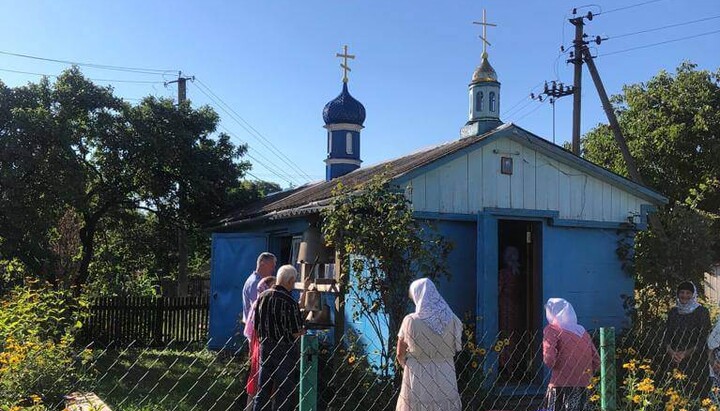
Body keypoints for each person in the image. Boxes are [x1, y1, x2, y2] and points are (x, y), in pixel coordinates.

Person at [396, 278, 462, 411]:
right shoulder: (453, 319)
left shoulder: (410, 321)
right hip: (445, 372)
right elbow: (456, 347)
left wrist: (406, 366)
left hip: (418, 373)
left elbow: (399, 353)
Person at [253, 265, 304, 411]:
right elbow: (295, 332)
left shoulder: (262, 297)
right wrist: (302, 332)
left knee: (263, 388)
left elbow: (256, 325)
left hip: (265, 346)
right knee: (284, 391)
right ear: (290, 281)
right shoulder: (290, 302)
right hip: (285, 350)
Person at [542, 298, 599, 411]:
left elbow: (549, 358)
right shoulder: (582, 331)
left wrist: (553, 364)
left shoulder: (552, 329)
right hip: (584, 383)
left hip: (561, 384)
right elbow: (596, 359)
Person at [664, 281, 711, 397]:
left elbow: (704, 338)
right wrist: (671, 352)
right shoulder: (673, 312)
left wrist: (685, 353)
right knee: (674, 394)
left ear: (693, 294)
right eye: (682, 292)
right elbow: (666, 335)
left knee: (694, 394)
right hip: (674, 360)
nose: (684, 296)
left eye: (688, 293)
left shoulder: (701, 312)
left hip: (696, 360)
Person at [243, 276, 275, 407]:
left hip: (257, 345)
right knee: (264, 380)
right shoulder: (264, 305)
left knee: (257, 380)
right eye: (274, 287)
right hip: (263, 344)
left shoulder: (257, 304)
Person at [498, 246, 524, 379]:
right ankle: (514, 364)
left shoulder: (503, 273)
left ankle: (506, 365)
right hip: (517, 308)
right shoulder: (519, 273)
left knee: (506, 335)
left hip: (505, 308)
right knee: (515, 335)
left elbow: (498, 291)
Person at [243, 252, 277, 326]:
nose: (273, 270)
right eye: (272, 266)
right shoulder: (255, 283)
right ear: (262, 264)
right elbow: (258, 308)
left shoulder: (258, 281)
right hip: (255, 327)